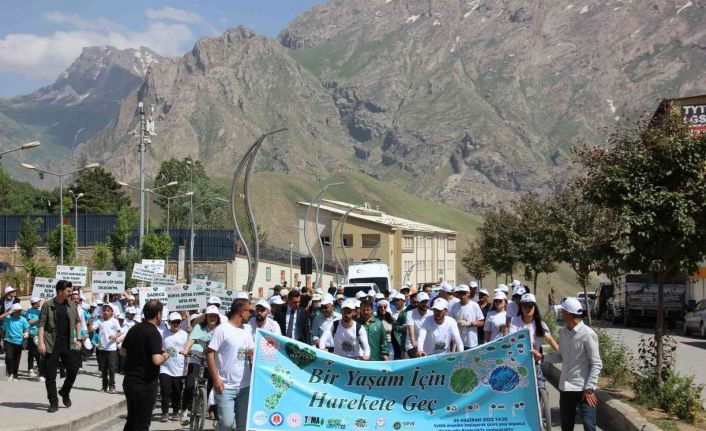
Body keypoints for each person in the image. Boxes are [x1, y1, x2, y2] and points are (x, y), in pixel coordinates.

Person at [120, 300, 170, 431]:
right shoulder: (154, 333)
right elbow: (156, 359)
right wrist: (165, 355)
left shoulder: (134, 329)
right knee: (142, 423)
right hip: (145, 384)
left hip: (130, 382)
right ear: (158, 314)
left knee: (132, 419)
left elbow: (122, 351)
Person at [207, 300, 254, 431]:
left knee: (243, 425)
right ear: (242, 311)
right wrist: (216, 378)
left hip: (245, 386)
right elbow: (210, 353)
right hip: (225, 387)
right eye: (249, 311)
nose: (251, 314)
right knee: (227, 423)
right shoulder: (222, 330)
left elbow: (252, 352)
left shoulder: (246, 330)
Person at [558, 297, 602, 431]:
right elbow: (562, 355)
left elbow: (596, 363)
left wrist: (589, 389)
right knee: (566, 425)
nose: (561, 314)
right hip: (566, 389)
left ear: (569, 314)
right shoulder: (563, 332)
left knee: (589, 425)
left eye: (562, 311)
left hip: (583, 390)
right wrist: (541, 357)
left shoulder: (588, 334)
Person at [38, 280, 83, 413]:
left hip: (67, 343)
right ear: (60, 292)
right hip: (51, 343)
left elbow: (77, 322)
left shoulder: (71, 305)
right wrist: (41, 342)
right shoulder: (47, 305)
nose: (71, 293)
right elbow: (41, 325)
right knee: (50, 375)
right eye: (68, 291)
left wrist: (79, 338)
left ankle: (64, 391)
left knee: (73, 370)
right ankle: (53, 402)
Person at [182, 306, 220, 424]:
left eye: (215, 316)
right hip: (197, 353)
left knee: (212, 385)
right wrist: (186, 350)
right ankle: (184, 411)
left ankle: (214, 414)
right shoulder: (199, 327)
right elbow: (192, 339)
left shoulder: (220, 329)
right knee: (189, 384)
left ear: (218, 317)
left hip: (211, 357)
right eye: (210, 315)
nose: (212, 318)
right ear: (206, 317)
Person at [159, 311, 188, 422]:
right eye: (173, 322)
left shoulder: (185, 335)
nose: (175, 324)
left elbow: (189, 349)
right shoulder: (164, 334)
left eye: (178, 322)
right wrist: (163, 352)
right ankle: (165, 412)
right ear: (169, 322)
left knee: (177, 391)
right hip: (165, 367)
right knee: (165, 390)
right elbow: (159, 347)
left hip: (179, 369)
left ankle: (175, 411)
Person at [95, 304, 121, 393]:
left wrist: (114, 336)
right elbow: (91, 328)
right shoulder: (99, 321)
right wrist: (91, 320)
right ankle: (104, 386)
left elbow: (119, 332)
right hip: (102, 348)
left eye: (108, 310)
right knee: (103, 368)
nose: (105, 312)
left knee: (111, 368)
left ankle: (112, 386)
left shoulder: (114, 321)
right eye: (104, 310)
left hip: (111, 348)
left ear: (111, 312)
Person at [450, 284, 485, 349]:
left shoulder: (474, 305)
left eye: (464, 293)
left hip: (471, 342)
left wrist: (470, 323)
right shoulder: (454, 306)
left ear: (468, 293)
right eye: (460, 293)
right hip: (458, 340)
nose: (462, 295)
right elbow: (450, 322)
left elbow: (481, 322)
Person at [3, 303, 29, 380]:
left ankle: (15, 374)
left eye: (20, 311)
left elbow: (27, 327)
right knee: (9, 357)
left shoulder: (22, 319)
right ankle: (10, 373)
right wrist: (9, 312)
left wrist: (26, 332)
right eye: (17, 311)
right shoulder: (8, 318)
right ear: (13, 311)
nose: (19, 312)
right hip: (9, 340)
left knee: (16, 359)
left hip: (19, 341)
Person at [405, 292, 432, 357]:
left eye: (426, 302)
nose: (425, 304)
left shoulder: (432, 314)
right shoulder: (410, 313)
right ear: (418, 302)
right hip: (412, 345)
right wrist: (415, 345)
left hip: (427, 345)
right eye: (423, 302)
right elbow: (411, 332)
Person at [26, 297, 43, 380]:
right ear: (35, 302)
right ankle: (30, 369)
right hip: (32, 334)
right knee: (32, 353)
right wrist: (37, 319)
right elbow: (28, 322)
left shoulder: (40, 311)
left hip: (39, 334)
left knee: (39, 353)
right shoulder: (29, 311)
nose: (40, 302)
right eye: (39, 301)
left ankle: (40, 369)